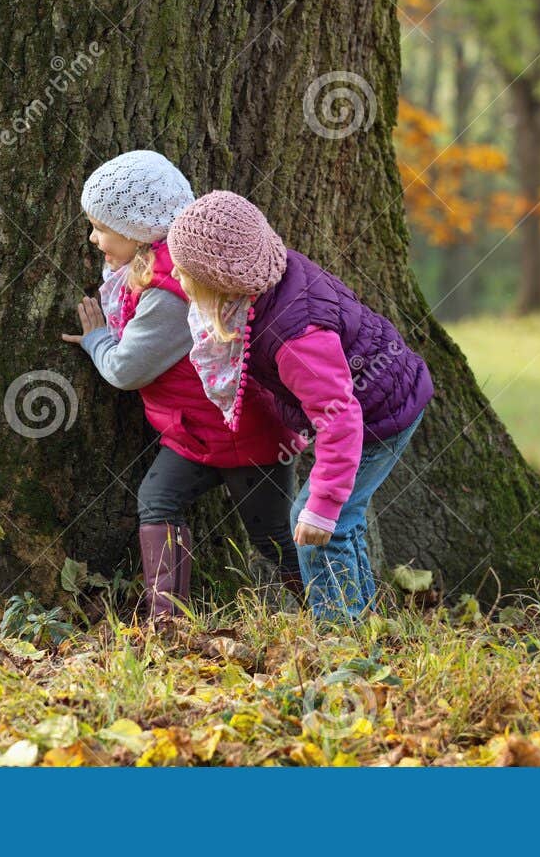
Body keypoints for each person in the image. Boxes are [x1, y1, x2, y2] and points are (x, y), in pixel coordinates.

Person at [166, 191, 433, 621]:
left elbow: (340, 417)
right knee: (344, 521)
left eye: (186, 271)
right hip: (370, 404)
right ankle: (364, 624)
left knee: (319, 529)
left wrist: (323, 505)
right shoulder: (268, 279)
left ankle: (341, 644)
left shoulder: (296, 336)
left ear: (221, 282)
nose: (175, 274)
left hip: (377, 418)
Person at [62, 152, 303, 620]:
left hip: (247, 435)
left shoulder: (171, 291)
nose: (93, 239)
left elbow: (126, 370)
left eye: (101, 227)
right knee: (157, 499)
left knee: (271, 535)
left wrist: (97, 342)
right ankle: (167, 621)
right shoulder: (152, 267)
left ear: (137, 231)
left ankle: (335, 609)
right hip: (195, 433)